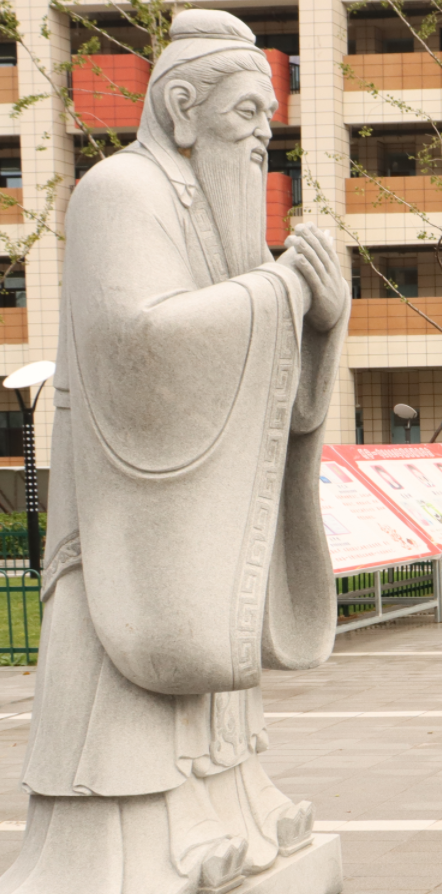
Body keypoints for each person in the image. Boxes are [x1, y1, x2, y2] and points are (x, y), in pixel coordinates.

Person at [6, 10, 349, 890]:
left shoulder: (220, 225)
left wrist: (320, 318)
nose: (261, 138)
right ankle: (133, 838)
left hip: (194, 523)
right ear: (183, 107)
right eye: (246, 114)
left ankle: (231, 804)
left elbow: (268, 379)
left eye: (270, 120)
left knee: (211, 683)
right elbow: (140, 340)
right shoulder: (120, 191)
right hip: (121, 517)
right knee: (120, 680)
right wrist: (279, 290)